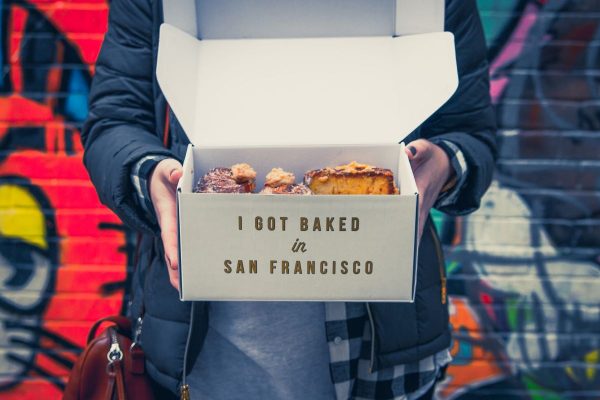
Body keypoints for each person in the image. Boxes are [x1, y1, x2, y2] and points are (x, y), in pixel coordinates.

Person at [81, 0, 496, 398]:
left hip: (383, 362)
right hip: (204, 359)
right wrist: (151, 174)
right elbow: (115, 122)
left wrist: (444, 162)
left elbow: (471, 134)